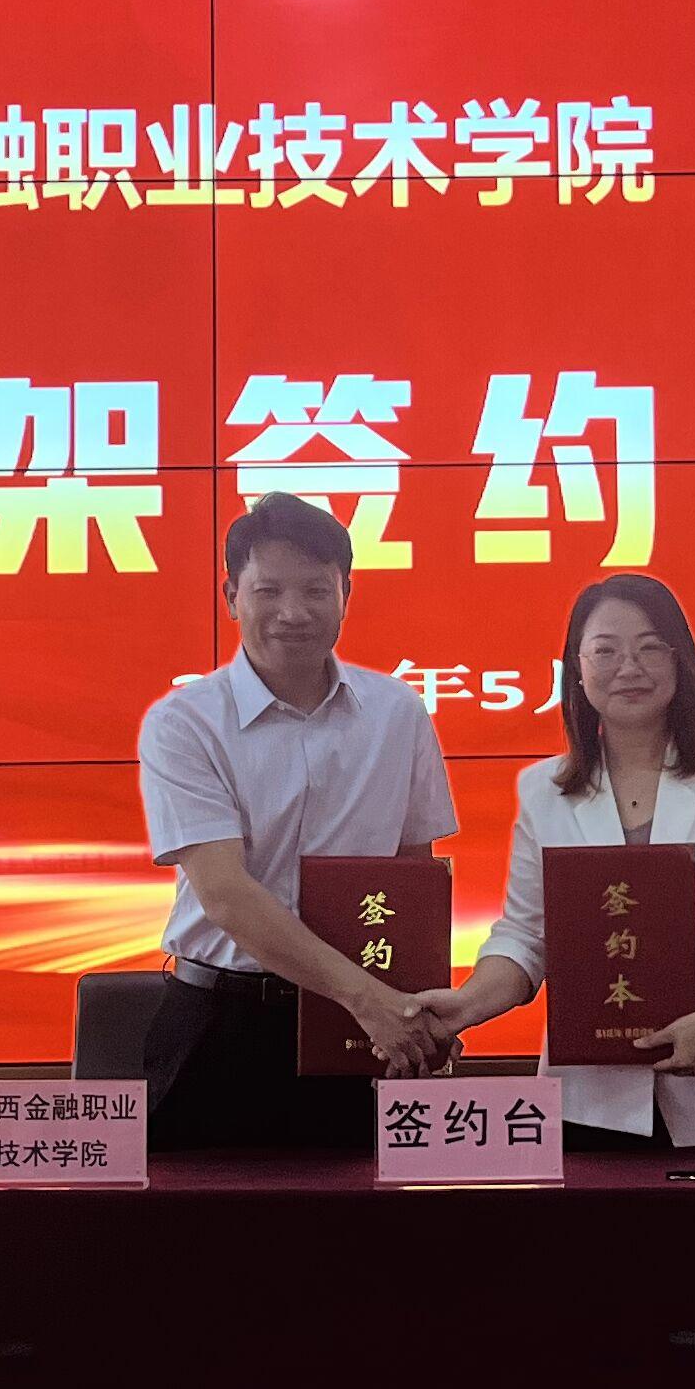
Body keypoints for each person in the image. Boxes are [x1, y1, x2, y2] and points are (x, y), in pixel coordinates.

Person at [417, 573, 695, 1147]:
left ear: (681, 662)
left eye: (650, 647)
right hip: (590, 1092)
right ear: (577, 671)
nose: (629, 668)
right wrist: (465, 1005)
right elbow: (527, 937)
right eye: (605, 651)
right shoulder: (543, 790)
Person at [133, 490, 463, 1150]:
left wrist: (420, 1013)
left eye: (316, 590)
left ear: (346, 595)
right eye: (269, 591)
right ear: (232, 596)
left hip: (361, 1031)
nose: (293, 612)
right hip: (222, 1026)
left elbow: (413, 878)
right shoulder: (184, 723)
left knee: (358, 1210)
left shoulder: (398, 713)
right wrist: (368, 1000)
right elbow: (226, 895)